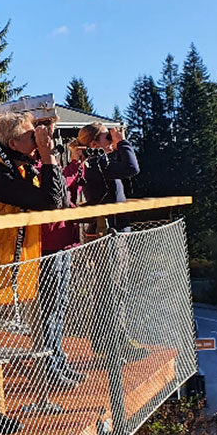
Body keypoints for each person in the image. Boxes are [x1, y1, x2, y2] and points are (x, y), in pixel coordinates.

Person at [0, 112, 68, 434]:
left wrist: (45, 157)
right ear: (13, 142)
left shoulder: (10, 163)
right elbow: (48, 202)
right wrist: (47, 157)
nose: (37, 144)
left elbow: (57, 200)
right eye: (32, 138)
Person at [73, 122, 147, 363]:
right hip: (109, 232)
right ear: (94, 143)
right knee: (112, 289)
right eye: (107, 135)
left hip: (113, 229)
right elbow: (132, 167)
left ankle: (114, 340)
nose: (111, 138)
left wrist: (114, 145)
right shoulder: (95, 163)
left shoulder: (98, 162)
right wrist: (122, 141)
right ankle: (111, 343)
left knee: (114, 288)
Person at [36, 142, 89, 389]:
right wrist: (68, 167)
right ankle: (49, 367)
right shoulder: (37, 167)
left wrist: (77, 165)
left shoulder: (51, 166)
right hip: (48, 245)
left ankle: (58, 359)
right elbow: (57, 195)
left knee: (60, 305)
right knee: (49, 310)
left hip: (63, 241)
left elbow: (67, 190)